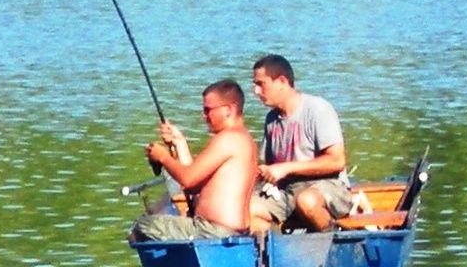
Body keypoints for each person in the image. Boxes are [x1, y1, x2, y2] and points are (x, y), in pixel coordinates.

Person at [130, 79, 258, 241]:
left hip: (213, 230)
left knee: (142, 226)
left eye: (207, 110)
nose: (203, 115)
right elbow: (194, 183)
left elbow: (188, 179)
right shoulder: (242, 138)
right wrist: (179, 142)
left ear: (229, 109)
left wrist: (163, 157)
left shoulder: (228, 138)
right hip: (225, 230)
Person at [249, 54, 352, 233]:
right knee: (242, 211)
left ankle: (334, 242)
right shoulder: (271, 119)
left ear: (282, 81)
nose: (256, 91)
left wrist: (285, 168)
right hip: (286, 192)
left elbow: (337, 161)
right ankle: (283, 250)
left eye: (261, 84)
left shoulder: (317, 109)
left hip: (326, 187)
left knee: (307, 202)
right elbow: (270, 167)